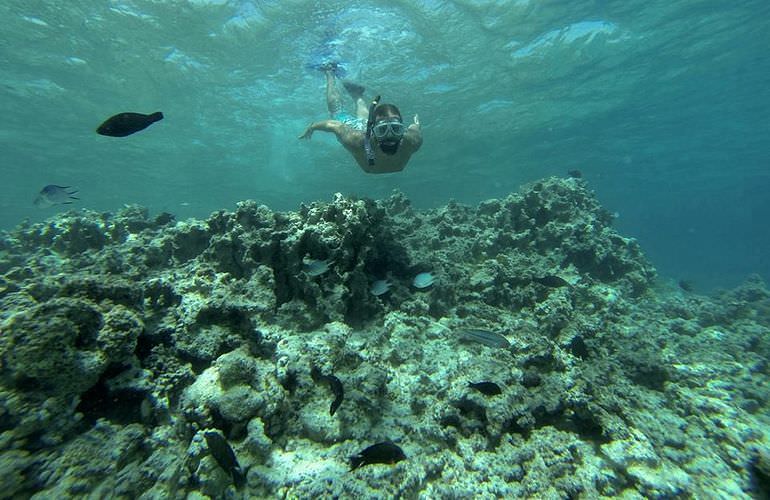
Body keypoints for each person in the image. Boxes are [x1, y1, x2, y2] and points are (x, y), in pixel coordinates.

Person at [299, 63, 422, 174]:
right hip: (360, 129)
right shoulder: (356, 141)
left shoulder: (412, 140)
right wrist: (313, 126)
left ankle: (356, 94)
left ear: (403, 129)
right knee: (337, 112)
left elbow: (415, 128)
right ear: (372, 129)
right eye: (382, 130)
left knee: (359, 119)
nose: (389, 136)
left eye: (396, 129)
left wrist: (416, 125)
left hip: (367, 128)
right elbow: (335, 125)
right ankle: (329, 72)